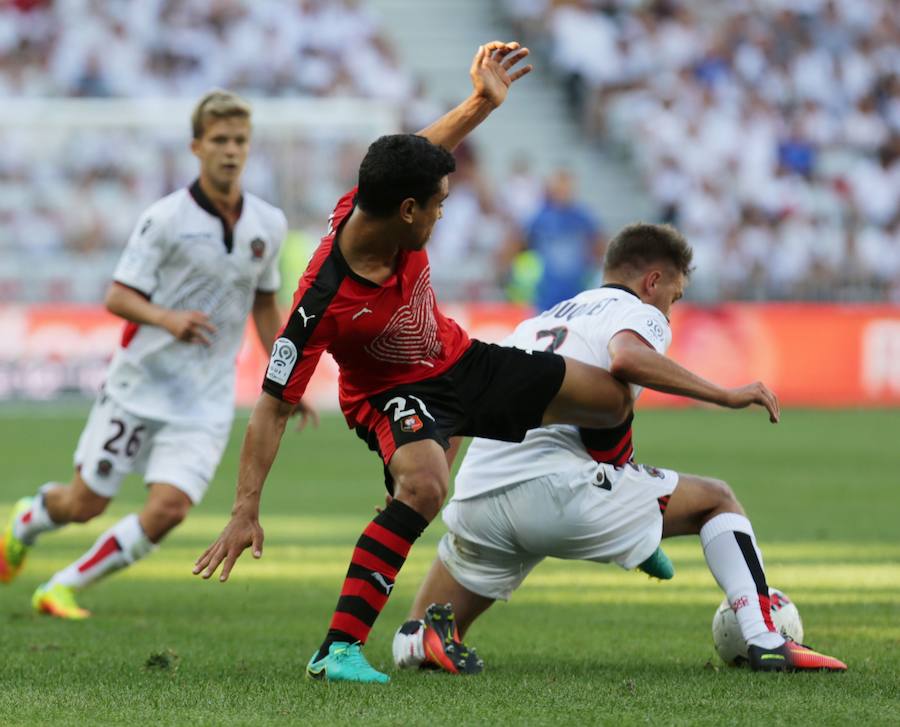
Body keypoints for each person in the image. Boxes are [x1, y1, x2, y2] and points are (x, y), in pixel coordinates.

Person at [193, 42, 636, 685]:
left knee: (611, 399)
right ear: (409, 212)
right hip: (390, 393)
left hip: (458, 360)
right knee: (426, 487)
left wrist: (481, 101)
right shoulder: (322, 301)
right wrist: (244, 509)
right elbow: (271, 405)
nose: (442, 211)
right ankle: (338, 650)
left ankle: (621, 490)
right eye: (439, 205)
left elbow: (420, 149)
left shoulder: (375, 195)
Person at [390, 222, 847, 675]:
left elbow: (464, 402)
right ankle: (766, 639)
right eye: (675, 296)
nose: (669, 313)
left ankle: (418, 644)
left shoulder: (540, 320)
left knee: (424, 631)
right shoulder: (636, 310)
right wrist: (725, 395)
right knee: (717, 500)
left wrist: (422, 480)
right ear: (653, 281)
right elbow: (626, 357)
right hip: (557, 494)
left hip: (481, 497)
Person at [0, 90, 314, 619]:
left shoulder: (268, 224)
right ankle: (25, 522)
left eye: (239, 141)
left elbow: (266, 307)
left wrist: (288, 381)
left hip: (205, 399)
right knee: (84, 504)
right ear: (196, 146)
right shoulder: (165, 218)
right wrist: (169, 318)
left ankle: (61, 586)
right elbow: (117, 295)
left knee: (169, 509)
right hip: (139, 386)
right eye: (219, 140)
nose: (231, 151)